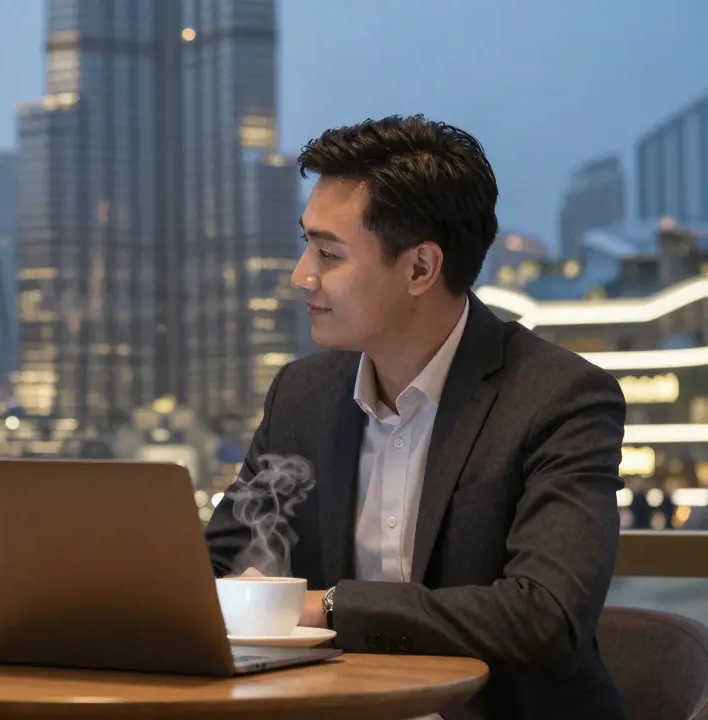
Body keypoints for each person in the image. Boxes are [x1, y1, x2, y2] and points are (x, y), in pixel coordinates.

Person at [204, 115, 629, 719]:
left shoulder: (558, 397)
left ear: (420, 269)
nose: (302, 275)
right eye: (307, 245)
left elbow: (545, 617)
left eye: (328, 252)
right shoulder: (302, 394)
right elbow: (211, 569)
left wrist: (327, 608)